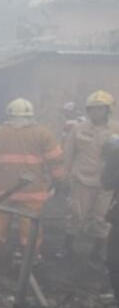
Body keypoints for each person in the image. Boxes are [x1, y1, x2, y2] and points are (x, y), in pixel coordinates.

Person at [0, 98, 64, 258]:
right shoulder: (43, 133)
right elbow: (56, 161)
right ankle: (30, 255)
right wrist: (58, 181)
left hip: (0, 190)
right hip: (32, 191)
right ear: (31, 115)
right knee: (29, 226)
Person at [61, 90, 118, 260]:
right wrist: (64, 176)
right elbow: (68, 154)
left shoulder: (116, 129)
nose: (96, 112)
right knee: (76, 214)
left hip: (107, 183)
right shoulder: (78, 129)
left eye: (100, 108)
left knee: (102, 218)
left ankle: (97, 251)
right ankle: (67, 247)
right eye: (92, 109)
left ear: (108, 110)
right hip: (82, 180)